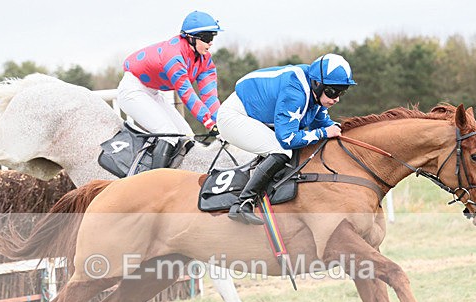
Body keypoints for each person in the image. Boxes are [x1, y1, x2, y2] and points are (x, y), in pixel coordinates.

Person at [217, 53, 356, 224]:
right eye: (332, 91)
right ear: (317, 84)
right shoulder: (295, 92)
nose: (336, 98)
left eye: (342, 92)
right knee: (282, 150)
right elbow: (287, 139)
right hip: (234, 116)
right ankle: (243, 203)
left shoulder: (315, 91)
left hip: (254, 115)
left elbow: (325, 125)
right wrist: (323, 133)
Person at [116, 11, 222, 170]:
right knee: (169, 134)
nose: (211, 43)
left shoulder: (205, 60)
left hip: (153, 93)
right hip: (133, 90)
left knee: (187, 136)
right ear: (191, 38)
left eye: (213, 37)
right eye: (207, 38)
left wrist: (220, 122)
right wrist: (208, 121)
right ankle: (154, 183)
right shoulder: (174, 55)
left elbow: (210, 97)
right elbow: (186, 93)